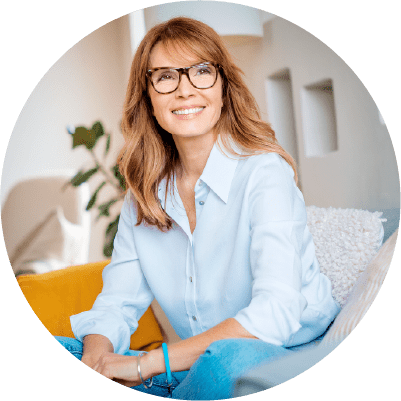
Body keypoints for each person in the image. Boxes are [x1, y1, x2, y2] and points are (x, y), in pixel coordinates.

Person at [56, 16, 341, 400]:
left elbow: (276, 312)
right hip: (192, 365)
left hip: (284, 355)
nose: (185, 90)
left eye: (202, 71)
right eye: (165, 77)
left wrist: (146, 364)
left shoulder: (264, 174)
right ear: (148, 96)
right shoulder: (142, 194)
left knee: (224, 361)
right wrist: (96, 360)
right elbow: (117, 303)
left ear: (224, 87)